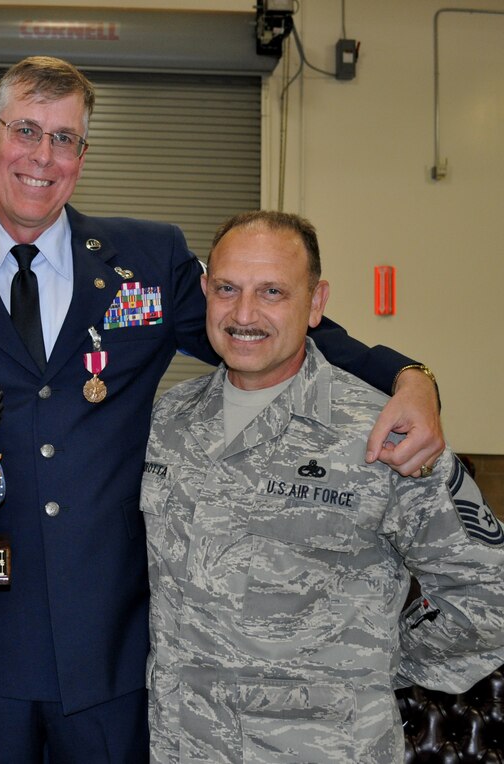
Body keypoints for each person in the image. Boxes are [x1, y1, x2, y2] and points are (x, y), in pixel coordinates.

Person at [0, 56, 446, 762]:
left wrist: (405, 375)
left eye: (66, 139)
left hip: (114, 652)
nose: (43, 156)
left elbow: (270, 333)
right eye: (27, 130)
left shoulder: (144, 260)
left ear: (82, 157)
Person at [142, 210, 504, 762]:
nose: (244, 314)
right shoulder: (170, 420)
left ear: (316, 303)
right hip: (184, 744)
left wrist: (381, 657)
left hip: (324, 746)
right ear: (204, 294)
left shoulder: (382, 431)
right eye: (227, 289)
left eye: (272, 292)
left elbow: (487, 590)